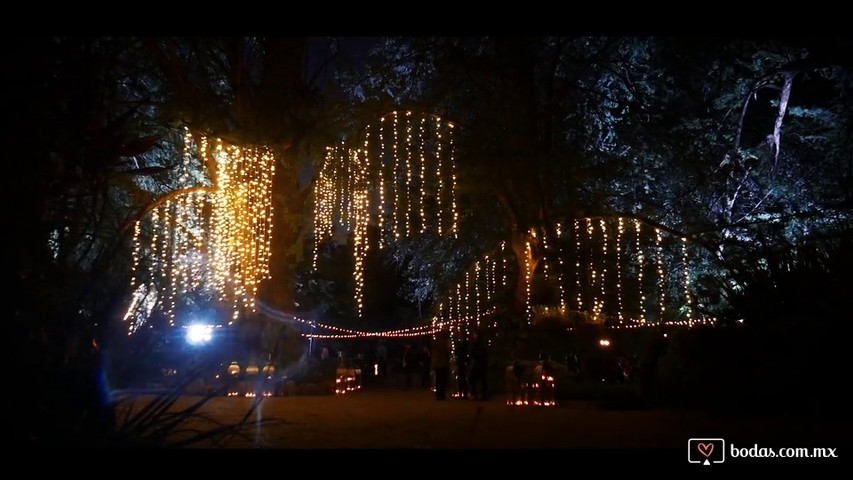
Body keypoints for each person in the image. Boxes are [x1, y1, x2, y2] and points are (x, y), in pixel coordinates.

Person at [468, 329, 489, 400]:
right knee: (478, 379)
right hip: (479, 362)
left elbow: (481, 352)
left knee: (479, 379)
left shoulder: (479, 343)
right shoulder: (476, 342)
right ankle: (479, 394)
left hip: (480, 363)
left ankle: (481, 394)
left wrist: (474, 354)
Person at [431, 331, 451, 400]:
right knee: (442, 380)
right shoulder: (444, 343)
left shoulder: (435, 342)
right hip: (442, 363)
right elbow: (448, 350)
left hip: (437, 363)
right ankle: (441, 395)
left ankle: (438, 394)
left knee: (438, 380)